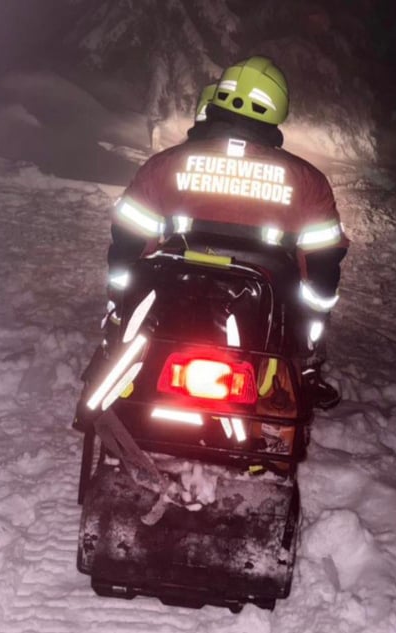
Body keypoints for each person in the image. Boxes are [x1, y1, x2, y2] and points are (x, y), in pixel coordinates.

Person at [105, 56, 348, 409]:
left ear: (218, 99)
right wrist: (307, 344)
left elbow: (127, 245)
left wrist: (118, 310)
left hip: (170, 313)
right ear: (277, 109)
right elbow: (323, 272)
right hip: (262, 327)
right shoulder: (308, 182)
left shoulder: (163, 166)